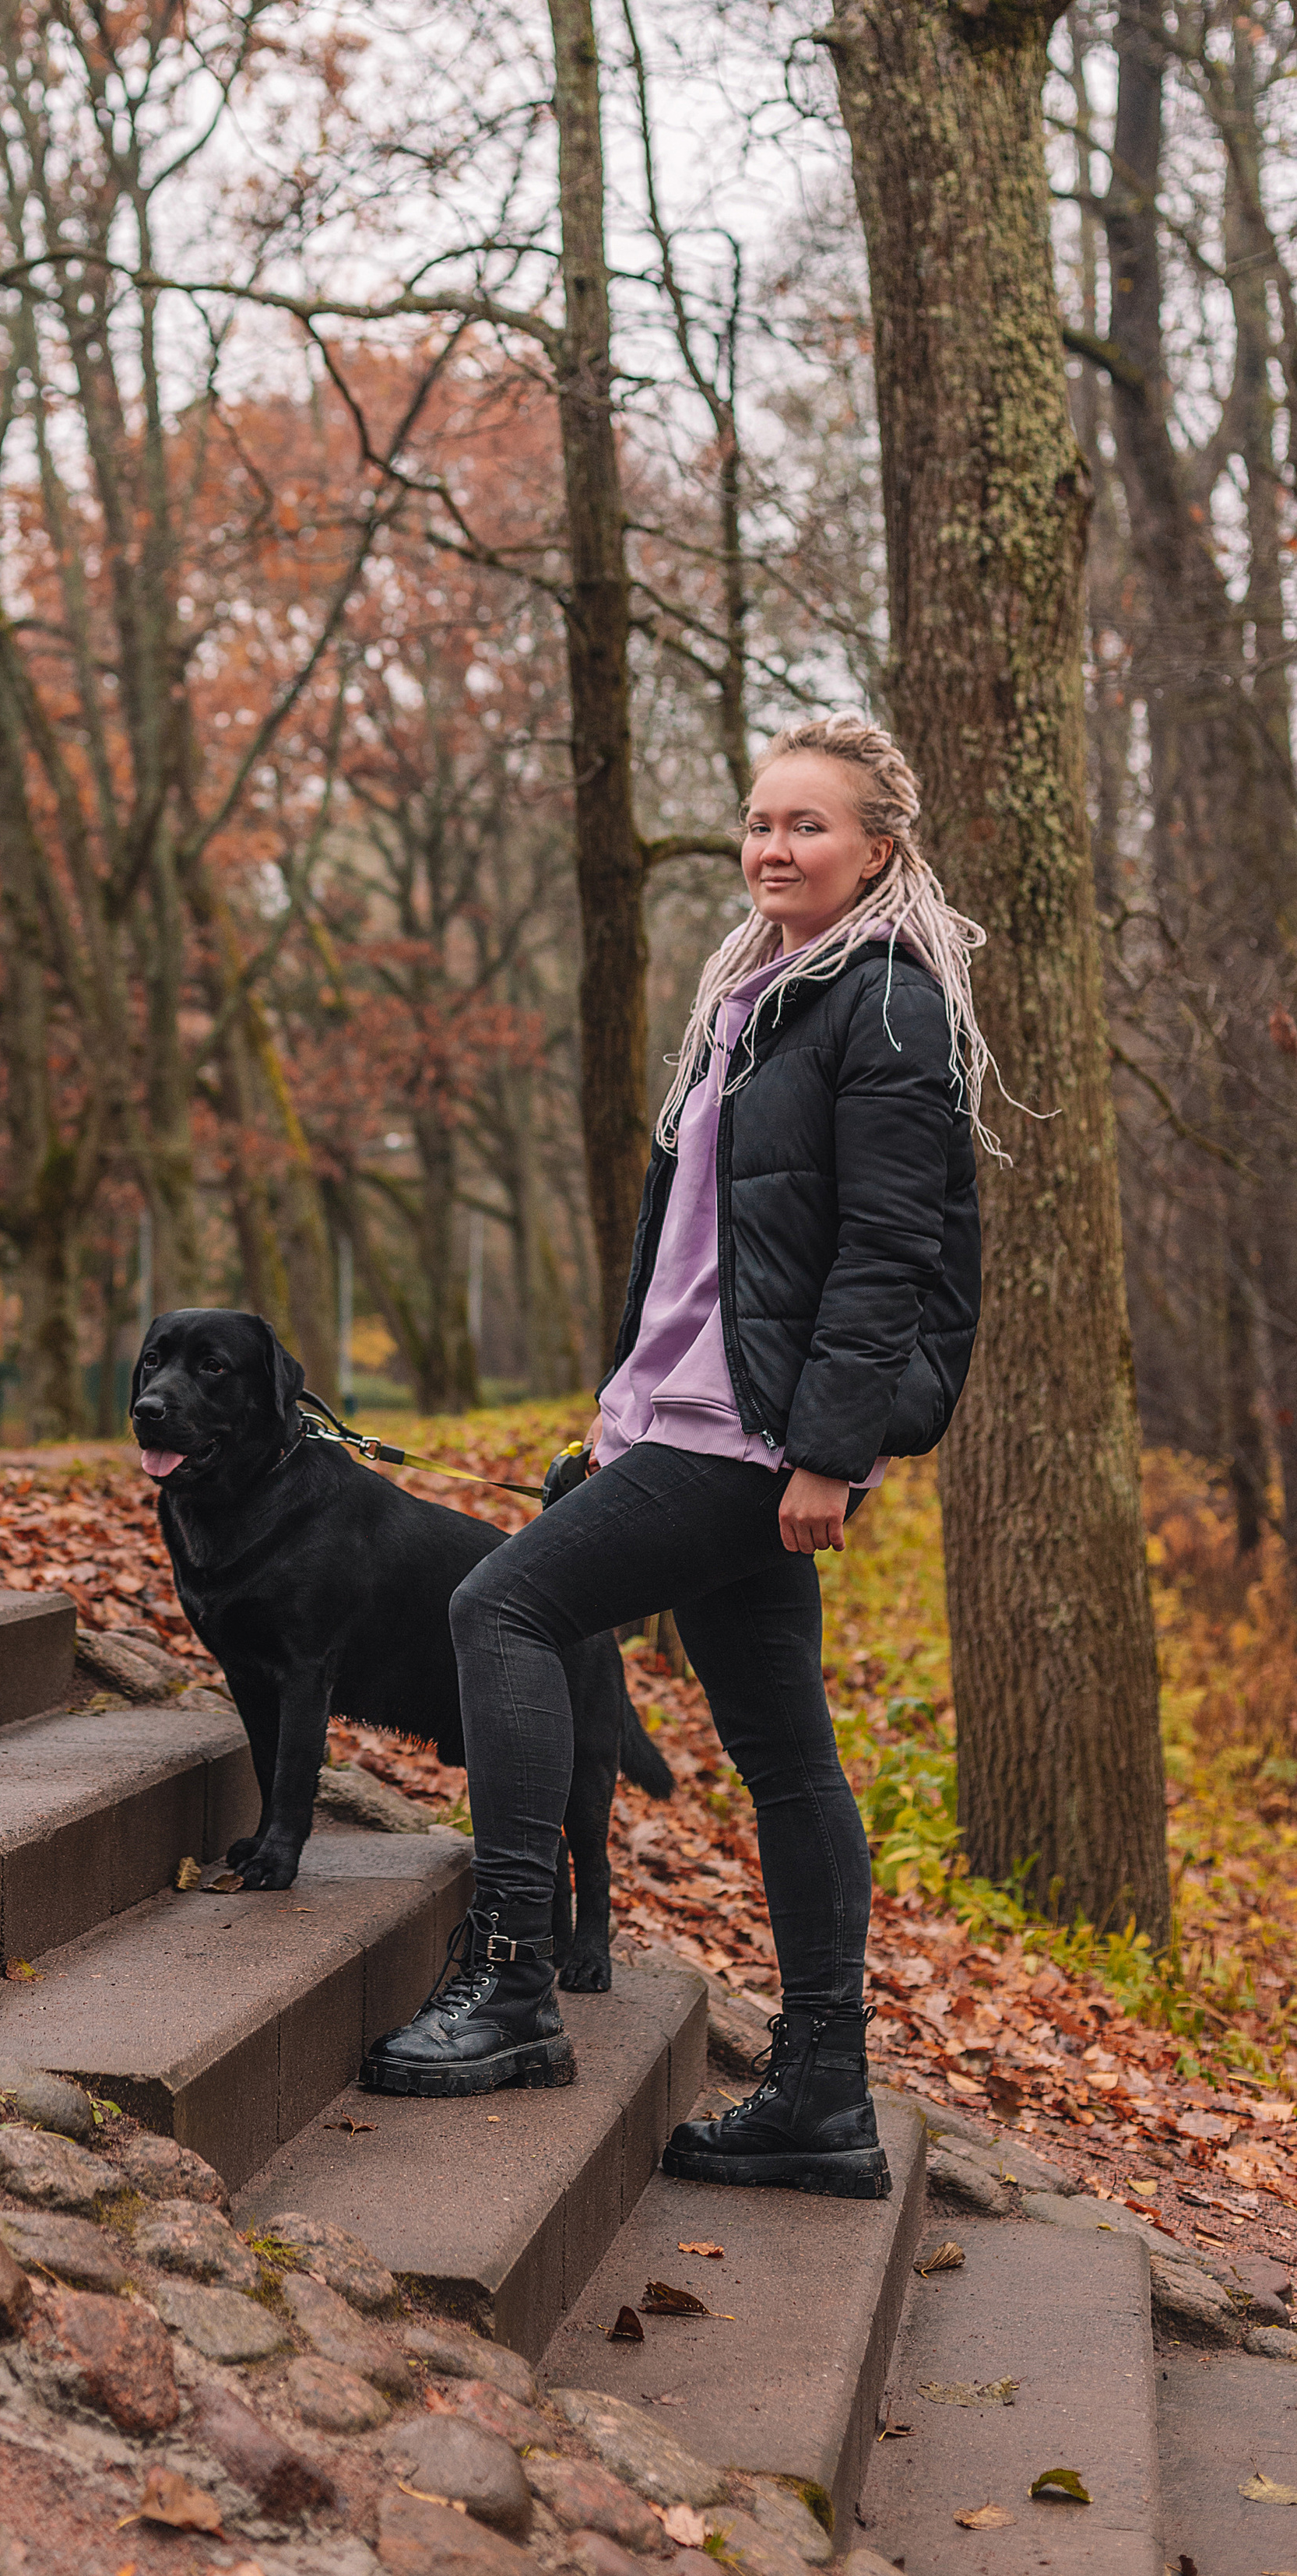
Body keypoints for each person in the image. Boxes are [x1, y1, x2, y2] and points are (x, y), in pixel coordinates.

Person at [359, 712, 987, 2198]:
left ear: (879, 850)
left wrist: (832, 1452)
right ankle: (823, 2096)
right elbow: (698, 1247)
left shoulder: (882, 1005)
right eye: (759, 824)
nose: (773, 846)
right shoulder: (759, 997)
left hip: (761, 1436)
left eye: (808, 826)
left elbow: (892, 1255)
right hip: (697, 1415)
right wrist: (620, 1402)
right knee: (783, 1756)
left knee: (499, 1607)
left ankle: (513, 1983)